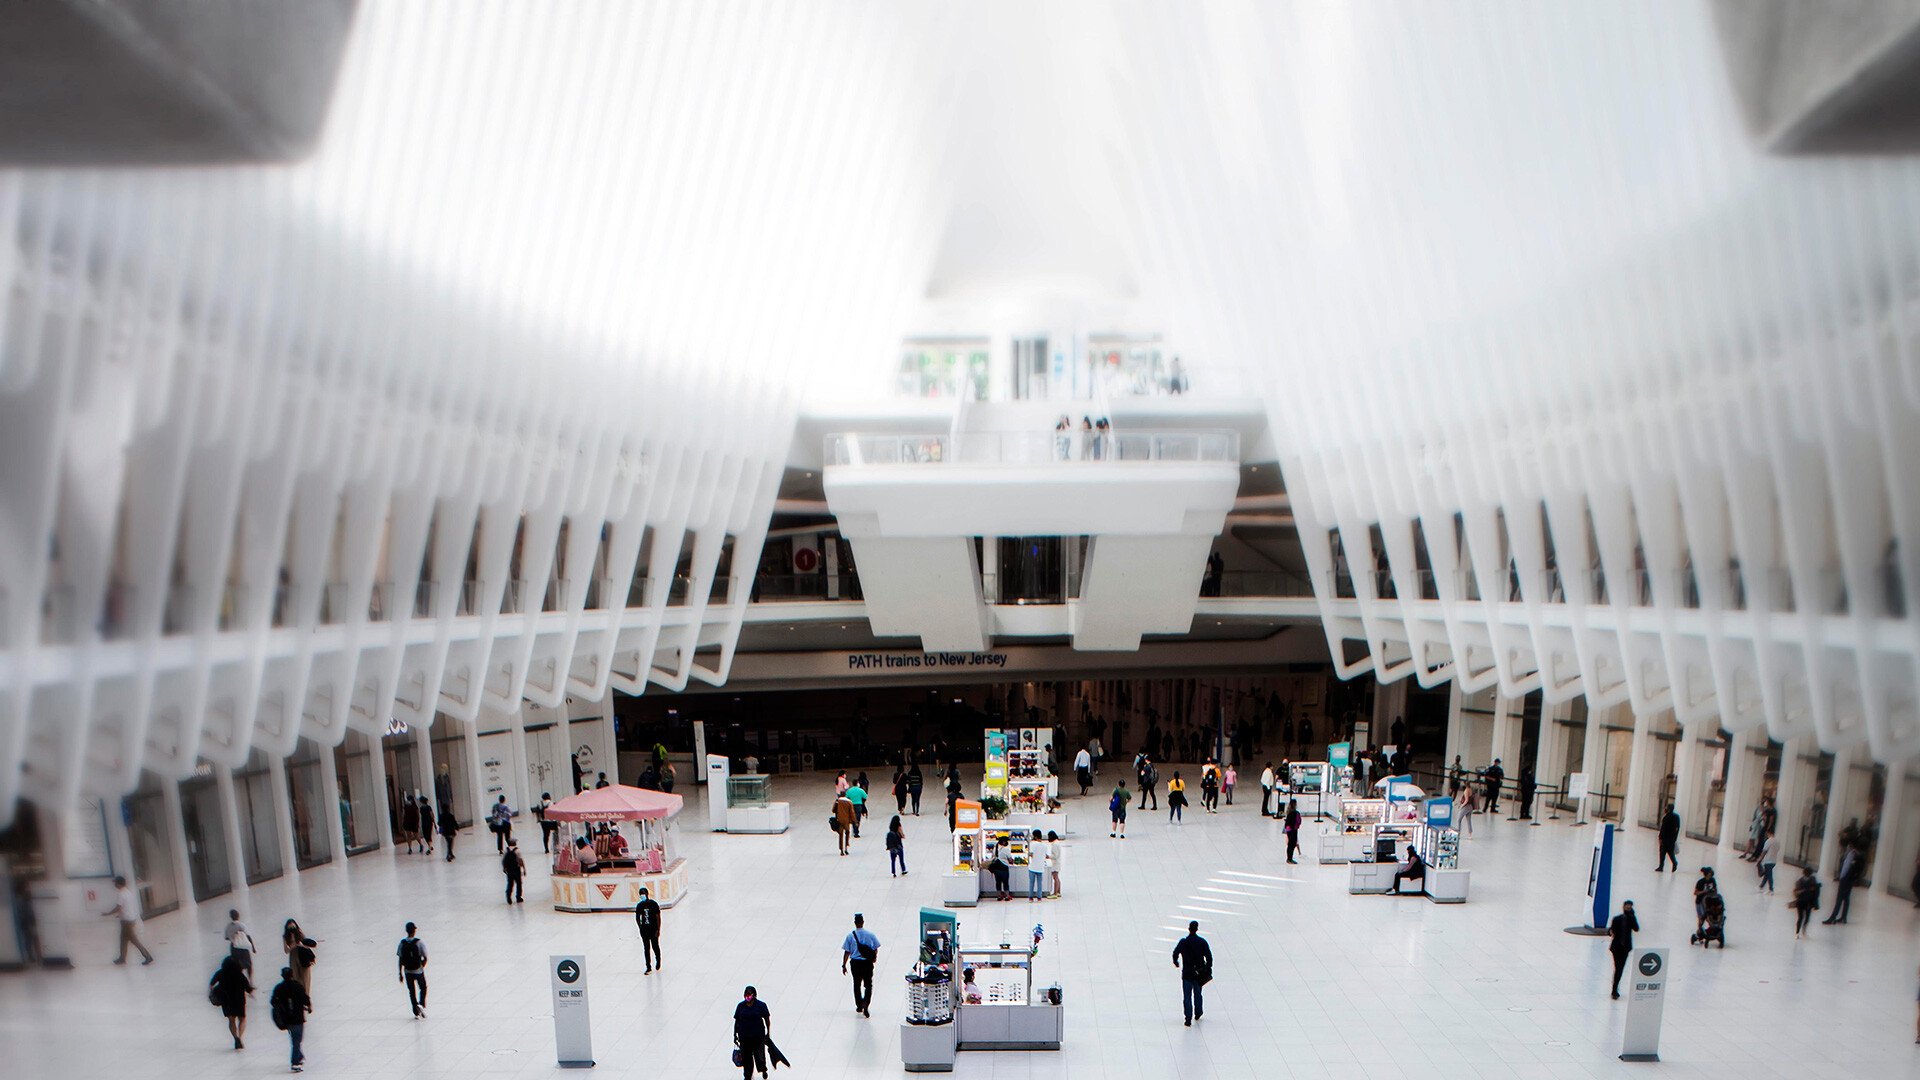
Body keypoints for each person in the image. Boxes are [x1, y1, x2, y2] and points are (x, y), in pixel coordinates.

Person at [269, 965, 312, 1072]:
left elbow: (273, 1001)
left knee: (295, 1039)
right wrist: (309, 1007)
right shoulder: (298, 987)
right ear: (292, 975)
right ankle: (295, 1062)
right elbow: (305, 999)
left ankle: (299, 1056)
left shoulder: (279, 988)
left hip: (286, 1019)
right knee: (297, 1040)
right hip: (298, 1018)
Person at [103, 875, 153, 965]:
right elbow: (126, 907)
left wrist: (108, 914)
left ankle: (147, 956)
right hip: (129, 919)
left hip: (126, 921)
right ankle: (122, 958)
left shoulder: (121, 894)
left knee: (134, 940)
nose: (114, 884)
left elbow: (119, 907)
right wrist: (120, 915)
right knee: (123, 939)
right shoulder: (128, 892)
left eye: (115, 883)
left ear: (118, 884)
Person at [1172, 921, 1212, 1027]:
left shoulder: (1183, 942)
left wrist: (1176, 962)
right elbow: (1209, 956)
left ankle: (1188, 1018)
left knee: (1187, 996)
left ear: (1189, 929)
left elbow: (1175, 953)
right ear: (1197, 929)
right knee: (1198, 993)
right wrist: (1208, 967)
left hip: (1187, 973)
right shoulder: (1202, 942)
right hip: (1198, 973)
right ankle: (1198, 1012)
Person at [211, 952, 253, 1049]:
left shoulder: (220, 973)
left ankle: (235, 1038)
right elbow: (248, 988)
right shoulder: (240, 975)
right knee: (242, 1019)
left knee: (231, 1020)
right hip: (239, 1000)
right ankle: (240, 1037)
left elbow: (212, 984)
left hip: (226, 1000)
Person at [841, 914, 881, 1017]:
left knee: (857, 984)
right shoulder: (870, 935)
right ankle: (866, 1003)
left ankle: (859, 1005)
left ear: (855, 923)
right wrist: (874, 957)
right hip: (867, 963)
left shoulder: (850, 936)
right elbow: (876, 947)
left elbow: (847, 952)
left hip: (855, 963)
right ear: (863, 922)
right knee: (868, 984)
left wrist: (843, 965)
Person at [733, 986, 772, 1079]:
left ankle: (763, 1069)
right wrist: (735, 1034)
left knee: (759, 1055)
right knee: (747, 1058)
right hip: (744, 1037)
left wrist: (768, 1032)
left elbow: (767, 1019)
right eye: (745, 995)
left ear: (754, 995)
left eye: (749, 995)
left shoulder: (761, 1005)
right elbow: (737, 1021)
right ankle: (747, 1075)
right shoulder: (740, 1006)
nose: (747, 997)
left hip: (757, 1036)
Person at [1824, 843, 1863, 924]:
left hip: (1847, 880)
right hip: (1845, 879)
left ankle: (1833, 917)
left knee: (1840, 899)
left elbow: (1854, 869)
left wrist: (1848, 878)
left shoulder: (1855, 856)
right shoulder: (1849, 855)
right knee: (1845, 899)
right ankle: (1843, 917)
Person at [1608, 901, 1639, 999]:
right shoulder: (1617, 919)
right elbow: (1613, 931)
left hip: (1625, 948)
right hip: (1616, 948)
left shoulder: (1631, 919)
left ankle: (1615, 988)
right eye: (1627, 907)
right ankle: (1614, 988)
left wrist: (1632, 917)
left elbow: (1636, 929)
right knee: (1618, 967)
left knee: (1620, 969)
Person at [397, 922, 429, 1018]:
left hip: (407, 971)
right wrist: (422, 966)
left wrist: (400, 973)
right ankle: (421, 1004)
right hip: (418, 970)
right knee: (423, 987)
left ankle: (415, 1011)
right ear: (414, 931)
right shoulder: (419, 943)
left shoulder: (402, 943)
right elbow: (425, 957)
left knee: (412, 991)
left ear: (406, 931)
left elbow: (400, 959)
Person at [283, 919, 316, 994]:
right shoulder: (285, 936)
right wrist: (291, 946)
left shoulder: (299, 932)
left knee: (305, 977)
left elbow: (307, 943)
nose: (292, 928)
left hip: (302, 954)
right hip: (293, 956)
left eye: (293, 926)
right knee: (295, 976)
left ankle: (306, 994)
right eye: (290, 926)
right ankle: (299, 994)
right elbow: (286, 951)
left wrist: (301, 944)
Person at [634, 887, 662, 974]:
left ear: (647, 894)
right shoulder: (639, 906)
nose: (642, 896)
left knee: (655, 946)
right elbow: (637, 917)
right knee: (646, 948)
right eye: (641, 894)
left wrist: (658, 929)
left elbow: (658, 917)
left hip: (653, 929)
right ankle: (648, 966)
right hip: (645, 930)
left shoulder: (653, 904)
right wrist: (640, 927)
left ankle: (658, 960)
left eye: (643, 893)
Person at [223, 908, 256, 973]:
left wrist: (233, 937)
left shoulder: (228, 926)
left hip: (234, 946)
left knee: (237, 964)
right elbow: (248, 936)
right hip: (242, 946)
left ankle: (240, 978)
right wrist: (253, 947)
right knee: (248, 964)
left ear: (231, 916)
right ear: (238, 915)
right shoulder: (241, 925)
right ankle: (250, 980)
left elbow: (226, 938)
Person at [1790, 868, 1819, 938]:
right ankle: (1801, 930)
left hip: (1803, 901)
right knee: (1804, 917)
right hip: (1806, 902)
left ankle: (1798, 932)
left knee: (1801, 917)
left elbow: (1795, 892)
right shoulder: (1811, 880)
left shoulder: (1801, 881)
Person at [1692, 866, 1717, 937]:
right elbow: (1695, 893)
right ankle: (1699, 931)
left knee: (1710, 916)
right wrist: (1704, 891)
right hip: (1700, 902)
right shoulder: (1701, 882)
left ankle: (1711, 930)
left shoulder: (1713, 880)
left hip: (1709, 902)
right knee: (1701, 917)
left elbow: (1715, 889)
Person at [988, 834, 1014, 900]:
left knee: (998, 882)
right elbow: (1010, 859)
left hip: (996, 868)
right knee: (1005, 882)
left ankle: (999, 895)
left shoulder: (995, 848)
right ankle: (1006, 895)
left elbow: (992, 857)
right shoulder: (1006, 849)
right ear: (1004, 842)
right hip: (1004, 868)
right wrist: (1011, 861)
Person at [1655, 804, 1680, 872]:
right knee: (1670, 852)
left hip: (1665, 838)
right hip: (1671, 838)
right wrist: (1675, 837)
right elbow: (1677, 828)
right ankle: (1674, 863)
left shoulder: (1666, 817)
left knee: (1662, 852)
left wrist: (1660, 837)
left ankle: (1661, 866)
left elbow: (1663, 829)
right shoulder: (1676, 817)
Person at [502, 839, 526, 904]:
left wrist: (504, 868)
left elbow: (503, 861)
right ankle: (518, 897)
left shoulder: (506, 851)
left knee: (510, 883)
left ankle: (508, 897)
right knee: (518, 883)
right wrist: (524, 869)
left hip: (509, 869)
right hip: (516, 868)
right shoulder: (517, 851)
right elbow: (521, 860)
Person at [833, 791, 856, 856]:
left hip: (839, 820)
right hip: (847, 820)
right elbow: (852, 812)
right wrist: (855, 821)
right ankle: (846, 847)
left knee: (841, 834)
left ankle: (841, 849)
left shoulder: (837, 801)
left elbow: (833, 810)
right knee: (847, 833)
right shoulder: (849, 802)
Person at [1026, 830, 1047, 901]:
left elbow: (1031, 854)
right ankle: (1039, 897)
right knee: (1039, 883)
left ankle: (1030, 897)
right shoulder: (1044, 845)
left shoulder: (1033, 844)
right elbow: (1045, 855)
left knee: (1031, 883)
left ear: (1035, 836)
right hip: (1040, 866)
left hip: (1033, 866)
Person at [1284, 800, 1302, 864]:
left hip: (1288, 829)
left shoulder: (1288, 812)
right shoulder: (1296, 813)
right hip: (1293, 829)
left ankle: (1289, 858)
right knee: (1293, 843)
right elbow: (1299, 821)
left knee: (1289, 844)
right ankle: (1290, 859)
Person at [1046, 830, 1063, 897]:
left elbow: (1055, 856)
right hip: (1057, 863)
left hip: (1055, 863)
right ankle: (1058, 892)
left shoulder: (1055, 845)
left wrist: (1048, 856)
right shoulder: (1057, 843)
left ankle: (1055, 893)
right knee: (1057, 877)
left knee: (1055, 878)